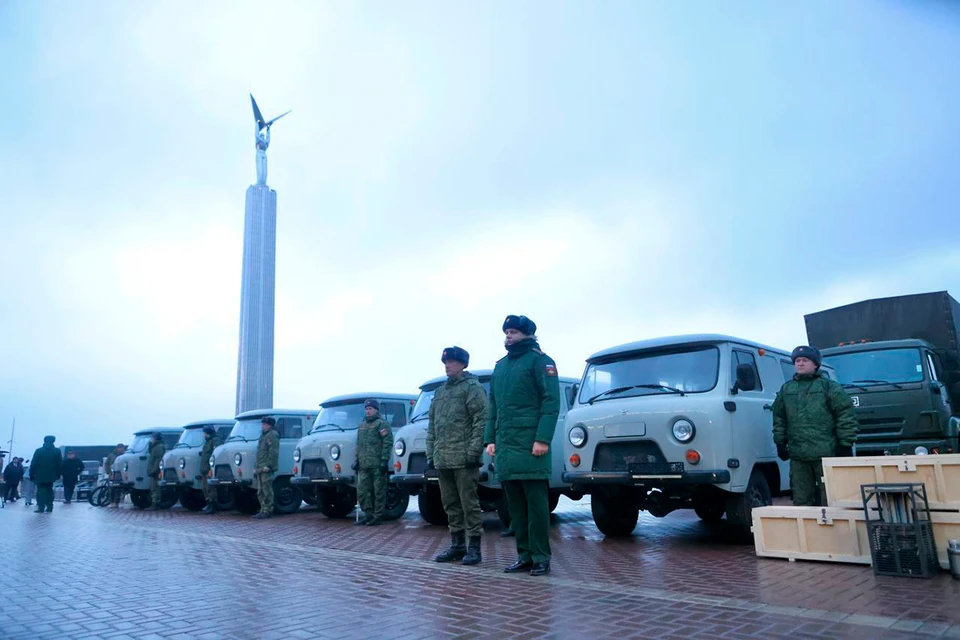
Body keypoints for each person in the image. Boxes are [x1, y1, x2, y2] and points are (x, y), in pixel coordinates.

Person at [484, 315, 560, 577]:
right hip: (506, 445)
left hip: (531, 446)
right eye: (506, 332)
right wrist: (490, 438)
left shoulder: (541, 362)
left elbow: (551, 403)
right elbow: (493, 405)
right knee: (516, 508)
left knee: (537, 508)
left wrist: (542, 439)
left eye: (514, 332)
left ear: (527, 335)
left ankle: (541, 557)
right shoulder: (501, 366)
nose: (508, 336)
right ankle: (524, 555)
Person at [773, 345, 859, 507]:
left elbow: (845, 414)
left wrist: (845, 444)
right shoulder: (786, 389)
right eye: (797, 361)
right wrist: (780, 442)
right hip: (799, 457)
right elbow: (779, 418)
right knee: (801, 501)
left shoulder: (829, 387)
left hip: (826, 454)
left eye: (805, 360)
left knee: (833, 498)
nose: (800, 363)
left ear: (815, 364)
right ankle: (806, 532)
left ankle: (835, 531)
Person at [427, 346, 489, 565]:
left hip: (464, 459)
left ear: (463, 364)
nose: (447, 365)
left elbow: (481, 419)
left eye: (452, 362)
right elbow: (432, 425)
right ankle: (457, 545)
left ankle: (474, 548)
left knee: (469, 504)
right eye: (445, 362)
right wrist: (430, 453)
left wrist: (474, 451)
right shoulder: (441, 392)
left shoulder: (472, 388)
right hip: (443, 458)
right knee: (450, 504)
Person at [352, 399, 393, 526]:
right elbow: (359, 445)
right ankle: (368, 514)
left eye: (370, 408)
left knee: (378, 491)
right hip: (364, 465)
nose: (368, 411)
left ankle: (378, 516)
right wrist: (356, 460)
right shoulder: (362, 426)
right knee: (363, 491)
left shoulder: (381, 424)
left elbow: (388, 442)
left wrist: (384, 460)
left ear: (376, 410)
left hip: (377, 464)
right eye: (366, 409)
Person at [253, 417, 279, 519]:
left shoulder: (272, 435)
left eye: (264, 424)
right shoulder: (263, 436)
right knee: (260, 490)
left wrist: (269, 465)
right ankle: (263, 509)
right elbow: (260, 453)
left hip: (266, 468)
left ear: (269, 425)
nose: (262, 426)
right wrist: (256, 467)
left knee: (267, 489)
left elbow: (273, 452)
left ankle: (268, 510)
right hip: (260, 467)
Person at [29, 436, 63, 513]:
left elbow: (34, 463)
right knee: (49, 490)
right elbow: (59, 464)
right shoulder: (57, 451)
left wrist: (32, 474)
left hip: (40, 474)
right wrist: (58, 474)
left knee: (41, 491)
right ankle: (50, 506)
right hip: (51, 475)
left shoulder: (39, 451)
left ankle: (41, 507)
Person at [200, 426, 221, 514]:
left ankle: (213, 505)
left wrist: (210, 468)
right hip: (204, 468)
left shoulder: (215, 440)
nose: (204, 434)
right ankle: (209, 503)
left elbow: (215, 454)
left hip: (210, 468)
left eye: (205, 433)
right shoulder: (207, 442)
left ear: (208, 433)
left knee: (211, 488)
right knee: (205, 487)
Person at [147, 433, 165, 509]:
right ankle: (155, 503)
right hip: (154, 470)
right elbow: (151, 452)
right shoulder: (155, 447)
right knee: (153, 487)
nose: (152, 440)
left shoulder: (159, 447)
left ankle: (156, 503)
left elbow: (158, 460)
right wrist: (150, 445)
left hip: (156, 471)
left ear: (156, 439)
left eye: (153, 438)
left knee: (155, 487)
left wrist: (153, 470)